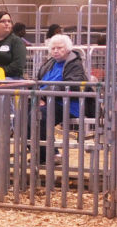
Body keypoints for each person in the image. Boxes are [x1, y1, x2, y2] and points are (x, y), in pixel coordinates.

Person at [33, 34, 88, 165]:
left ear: (68, 49)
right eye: (53, 48)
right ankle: (41, 155)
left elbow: (71, 86)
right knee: (24, 115)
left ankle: (52, 154)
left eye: (59, 48)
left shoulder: (75, 64)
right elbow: (38, 81)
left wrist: (43, 94)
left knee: (40, 116)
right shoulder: (49, 63)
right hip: (47, 100)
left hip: (66, 103)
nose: (56, 51)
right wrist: (38, 95)